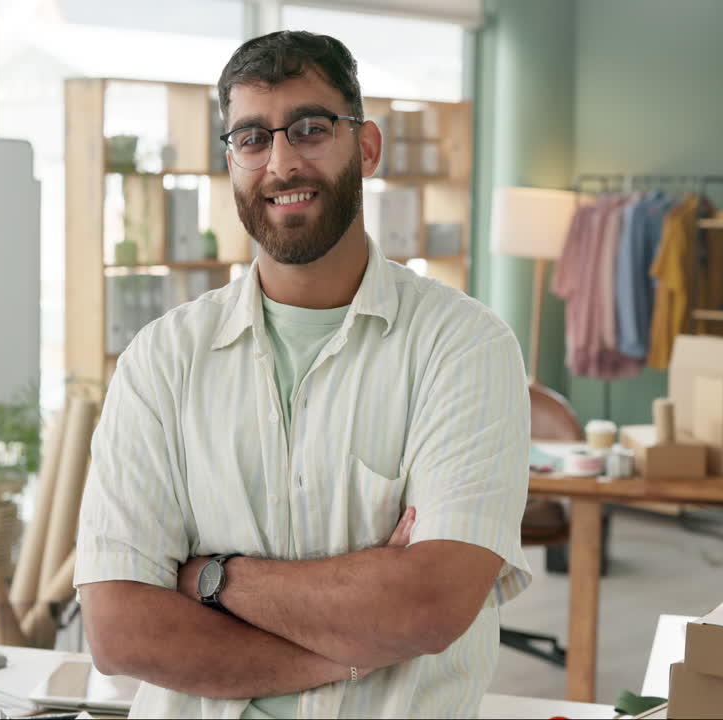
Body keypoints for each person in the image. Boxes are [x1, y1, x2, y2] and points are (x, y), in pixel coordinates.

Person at [76, 30, 530, 719]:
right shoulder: (162, 361)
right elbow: (119, 630)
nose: (282, 162)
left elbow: (428, 607)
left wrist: (210, 579)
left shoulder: (464, 347)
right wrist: (351, 646)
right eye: (253, 138)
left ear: (367, 147)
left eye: (311, 129)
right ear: (230, 161)